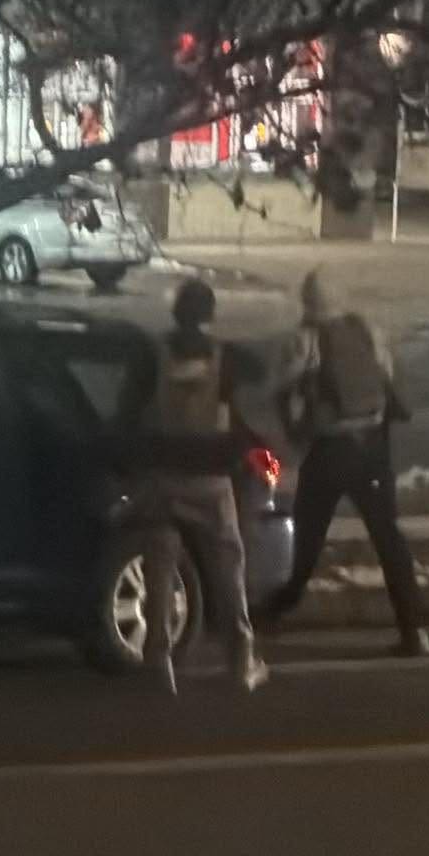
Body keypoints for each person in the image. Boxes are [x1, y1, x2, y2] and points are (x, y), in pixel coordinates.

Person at [265, 268, 429, 656]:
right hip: (373, 448)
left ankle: (277, 608)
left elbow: (278, 387)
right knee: (388, 539)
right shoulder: (367, 331)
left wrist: (294, 431)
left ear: (308, 301)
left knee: (306, 536)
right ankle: (414, 631)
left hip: (330, 451)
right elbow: (390, 378)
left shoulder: (305, 339)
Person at [118, 277, 269, 695]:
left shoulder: (153, 356)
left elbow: (126, 415)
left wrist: (131, 465)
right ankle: (241, 659)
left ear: (175, 312)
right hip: (211, 480)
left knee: (160, 569)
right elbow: (260, 374)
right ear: (210, 314)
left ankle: (158, 662)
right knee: (229, 567)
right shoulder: (225, 357)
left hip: (163, 477)